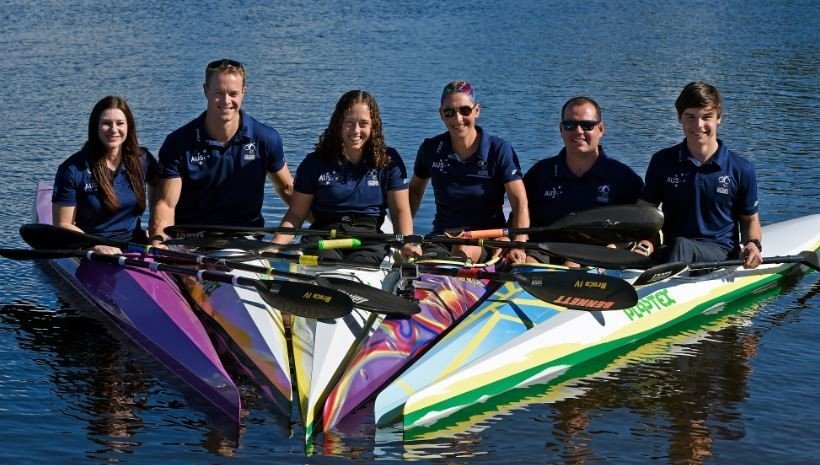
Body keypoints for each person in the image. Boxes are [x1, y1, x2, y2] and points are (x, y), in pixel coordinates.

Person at [149, 59, 293, 244]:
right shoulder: (178, 142)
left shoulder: (266, 139)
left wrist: (323, 223)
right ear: (205, 90)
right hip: (190, 240)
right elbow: (166, 206)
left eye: (233, 93)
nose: (226, 101)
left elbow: (288, 190)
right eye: (219, 93)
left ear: (243, 92)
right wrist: (159, 244)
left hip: (242, 240)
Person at [271, 90, 421, 264]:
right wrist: (275, 245)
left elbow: (400, 211)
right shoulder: (314, 163)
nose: (356, 130)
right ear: (338, 125)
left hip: (369, 238)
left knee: (360, 264)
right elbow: (296, 215)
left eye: (363, 123)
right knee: (328, 264)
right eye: (349, 123)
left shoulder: (389, 161)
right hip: (323, 236)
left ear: (373, 126)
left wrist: (407, 242)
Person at [638, 81, 762, 268]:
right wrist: (647, 242)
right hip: (672, 251)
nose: (698, 125)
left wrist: (753, 245)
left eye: (706, 117)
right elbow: (645, 212)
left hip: (720, 254)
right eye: (690, 117)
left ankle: (657, 285)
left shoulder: (741, 169)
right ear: (680, 117)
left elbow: (750, 220)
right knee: (677, 246)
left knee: (682, 245)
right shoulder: (662, 161)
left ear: (718, 117)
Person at [409, 81, 529, 264]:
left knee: (462, 249)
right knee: (427, 263)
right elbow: (415, 192)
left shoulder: (498, 150)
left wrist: (518, 244)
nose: (457, 119)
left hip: (488, 238)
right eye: (449, 112)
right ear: (441, 115)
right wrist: (404, 235)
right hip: (443, 236)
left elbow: (519, 201)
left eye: (465, 110)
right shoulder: (430, 149)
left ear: (477, 111)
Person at [523, 96, 644, 264]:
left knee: (571, 265)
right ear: (561, 129)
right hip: (542, 251)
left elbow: (642, 228)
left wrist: (618, 247)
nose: (578, 131)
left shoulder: (624, 179)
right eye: (570, 125)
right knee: (527, 263)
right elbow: (519, 219)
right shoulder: (539, 173)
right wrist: (517, 246)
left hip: (595, 257)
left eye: (587, 125)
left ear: (601, 129)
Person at [52, 96, 158, 254]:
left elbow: (162, 190)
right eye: (106, 123)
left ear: (129, 126)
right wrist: (95, 246)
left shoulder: (143, 160)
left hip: (135, 245)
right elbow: (62, 224)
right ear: (96, 127)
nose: (114, 130)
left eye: (120, 123)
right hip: (92, 248)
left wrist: (155, 228)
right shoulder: (73, 169)